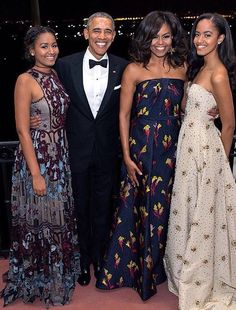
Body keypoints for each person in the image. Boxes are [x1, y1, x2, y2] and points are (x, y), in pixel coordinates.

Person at [96, 11, 188, 301]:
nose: (159, 43)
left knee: (163, 209)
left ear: (173, 37)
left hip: (170, 150)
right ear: (144, 38)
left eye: (165, 36)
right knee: (135, 208)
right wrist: (126, 155)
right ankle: (131, 272)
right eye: (153, 37)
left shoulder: (182, 67)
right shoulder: (134, 70)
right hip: (140, 148)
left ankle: (157, 269)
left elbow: (184, 109)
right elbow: (123, 116)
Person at [0, 26, 80, 307]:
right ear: (31, 50)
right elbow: (22, 130)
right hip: (39, 160)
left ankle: (58, 273)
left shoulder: (55, 75)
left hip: (60, 157)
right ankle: (41, 277)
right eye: (44, 47)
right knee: (41, 220)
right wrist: (36, 174)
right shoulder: (25, 80)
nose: (51, 51)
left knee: (57, 219)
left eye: (54, 45)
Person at [164, 13, 236, 310]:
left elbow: (230, 125)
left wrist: (220, 170)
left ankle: (202, 278)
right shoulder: (200, 67)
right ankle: (185, 272)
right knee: (189, 212)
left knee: (202, 216)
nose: (200, 40)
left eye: (208, 35)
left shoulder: (217, 73)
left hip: (206, 155)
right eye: (198, 34)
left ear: (221, 38)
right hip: (188, 149)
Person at [55, 12, 129, 286]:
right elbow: (45, 93)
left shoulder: (124, 66)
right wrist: (30, 115)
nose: (102, 36)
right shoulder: (65, 65)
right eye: (96, 30)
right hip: (75, 151)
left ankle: (99, 259)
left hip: (108, 154)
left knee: (102, 209)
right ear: (86, 33)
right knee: (79, 209)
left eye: (107, 31)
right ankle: (82, 261)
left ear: (113, 35)